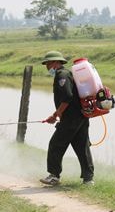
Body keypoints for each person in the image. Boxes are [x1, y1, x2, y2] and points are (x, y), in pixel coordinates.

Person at [40, 51, 94, 186]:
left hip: (71, 118)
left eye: (47, 63)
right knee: (82, 147)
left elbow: (67, 97)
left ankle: (54, 176)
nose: (47, 66)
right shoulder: (66, 74)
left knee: (56, 144)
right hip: (80, 116)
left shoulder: (61, 75)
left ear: (55, 62)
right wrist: (57, 114)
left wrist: (56, 114)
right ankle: (88, 179)